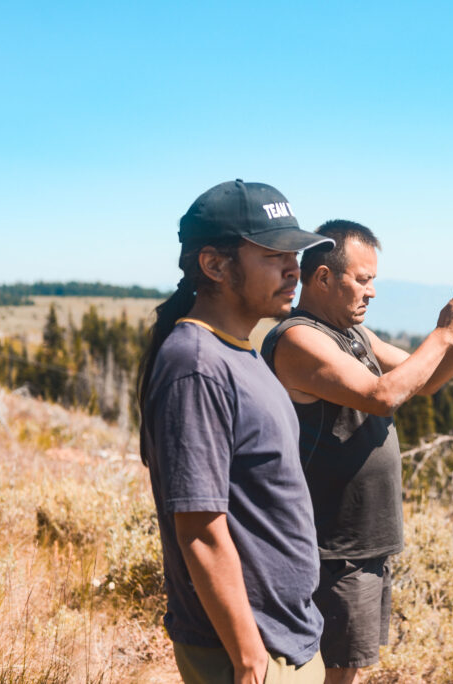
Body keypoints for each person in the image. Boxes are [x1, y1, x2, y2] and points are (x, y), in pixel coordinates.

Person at [260, 219, 453, 683]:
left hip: (360, 538)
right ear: (323, 277)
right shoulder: (298, 339)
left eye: (374, 281)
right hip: (331, 544)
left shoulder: (353, 334)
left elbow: (424, 383)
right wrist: (443, 332)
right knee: (336, 672)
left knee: (348, 667)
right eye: (362, 279)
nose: (372, 292)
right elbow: (382, 395)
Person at [137, 179, 334, 684]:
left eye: (296, 252)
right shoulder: (196, 364)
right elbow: (199, 529)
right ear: (215, 265)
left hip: (284, 636)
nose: (296, 267)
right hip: (249, 651)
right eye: (274, 254)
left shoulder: (238, 350)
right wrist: (249, 659)